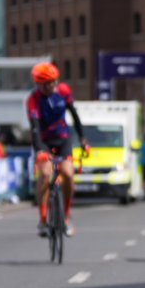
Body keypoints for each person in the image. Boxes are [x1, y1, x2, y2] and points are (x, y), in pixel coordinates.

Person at [26, 61, 89, 238]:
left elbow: (74, 115)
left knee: (68, 174)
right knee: (45, 174)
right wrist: (39, 150)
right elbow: (34, 127)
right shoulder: (33, 100)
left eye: (53, 82)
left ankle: (67, 216)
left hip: (62, 139)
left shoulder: (63, 91)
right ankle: (43, 219)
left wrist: (82, 138)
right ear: (39, 84)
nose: (50, 86)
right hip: (43, 141)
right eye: (46, 84)